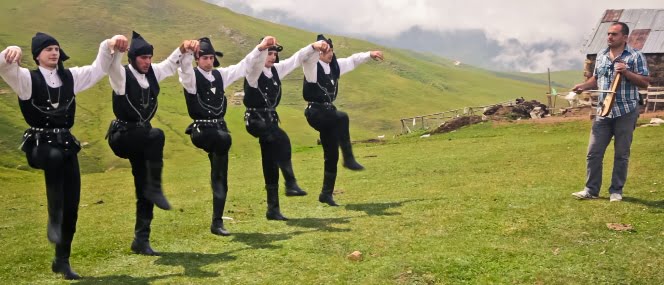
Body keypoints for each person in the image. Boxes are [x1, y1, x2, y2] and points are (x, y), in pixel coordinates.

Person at [0, 32, 126, 280]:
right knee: (55, 159)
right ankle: (53, 218)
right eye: (48, 49)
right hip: (40, 147)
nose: (54, 53)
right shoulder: (25, 78)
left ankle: (62, 260)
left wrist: (109, 44)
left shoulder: (70, 78)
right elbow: (3, 67)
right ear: (37, 55)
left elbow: (98, 69)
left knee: (73, 204)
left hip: (66, 145)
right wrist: (10, 50)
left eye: (57, 48)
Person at [106, 31, 199, 255]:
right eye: (143, 58)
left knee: (142, 186)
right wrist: (116, 49)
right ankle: (156, 188)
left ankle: (141, 239)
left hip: (142, 139)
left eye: (149, 57)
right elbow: (111, 66)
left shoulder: (153, 73)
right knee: (158, 134)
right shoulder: (121, 75)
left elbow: (169, 64)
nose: (147, 62)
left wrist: (183, 47)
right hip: (123, 136)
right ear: (132, 58)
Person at [177, 36, 276, 235]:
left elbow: (243, 65)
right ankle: (217, 217)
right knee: (224, 140)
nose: (208, 61)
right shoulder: (191, 78)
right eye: (204, 58)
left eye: (211, 58)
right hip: (202, 131)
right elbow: (184, 69)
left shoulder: (221, 75)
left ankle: (217, 222)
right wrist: (186, 52)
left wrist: (260, 48)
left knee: (221, 176)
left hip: (219, 130)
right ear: (197, 59)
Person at [244, 38, 330, 220]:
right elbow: (251, 61)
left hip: (271, 120)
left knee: (270, 162)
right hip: (255, 119)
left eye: (275, 53)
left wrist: (313, 47)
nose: (273, 57)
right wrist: (260, 48)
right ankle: (290, 183)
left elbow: (297, 58)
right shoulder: (253, 71)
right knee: (282, 138)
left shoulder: (276, 70)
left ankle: (272, 209)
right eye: (269, 53)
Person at [571, 22, 650, 202]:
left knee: (621, 154)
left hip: (626, 111)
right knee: (594, 152)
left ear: (624, 37)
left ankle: (616, 191)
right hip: (603, 111)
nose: (609, 37)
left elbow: (645, 82)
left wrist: (627, 72)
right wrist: (582, 86)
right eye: (608, 34)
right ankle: (591, 190)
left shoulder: (636, 56)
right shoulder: (601, 55)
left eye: (614, 34)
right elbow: (596, 80)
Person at [302, 34, 383, 206]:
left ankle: (326, 194)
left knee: (331, 154)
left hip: (328, 113)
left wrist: (370, 54)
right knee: (342, 117)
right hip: (315, 111)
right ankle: (349, 159)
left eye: (331, 50)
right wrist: (315, 47)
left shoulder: (335, 67)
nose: (330, 54)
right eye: (326, 51)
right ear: (319, 53)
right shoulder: (312, 67)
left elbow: (353, 61)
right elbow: (305, 58)